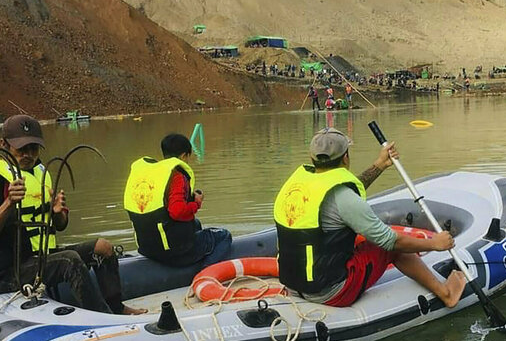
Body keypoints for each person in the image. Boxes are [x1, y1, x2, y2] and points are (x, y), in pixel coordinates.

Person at [0, 115, 145, 314]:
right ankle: (103, 316)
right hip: (9, 271)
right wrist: (8, 203)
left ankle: (116, 308)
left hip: (41, 258)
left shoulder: (41, 173)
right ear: (4, 144)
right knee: (70, 260)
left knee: (104, 247)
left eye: (34, 148)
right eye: (21, 149)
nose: (28, 154)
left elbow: (60, 225)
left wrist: (57, 213)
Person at [273, 128, 466, 307]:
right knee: (389, 246)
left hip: (295, 287)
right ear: (346, 157)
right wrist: (434, 243)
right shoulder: (343, 198)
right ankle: (446, 293)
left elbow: (342, 199)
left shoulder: (297, 186)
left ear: (312, 157)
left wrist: (379, 165)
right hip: (330, 292)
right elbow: (390, 242)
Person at [124, 134, 231, 267]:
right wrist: (196, 203)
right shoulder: (177, 176)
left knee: (195, 224)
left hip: (147, 249)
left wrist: (190, 199)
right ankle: (204, 274)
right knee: (224, 236)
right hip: (172, 251)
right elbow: (177, 211)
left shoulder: (154, 177)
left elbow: (164, 205)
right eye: (188, 157)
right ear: (183, 156)